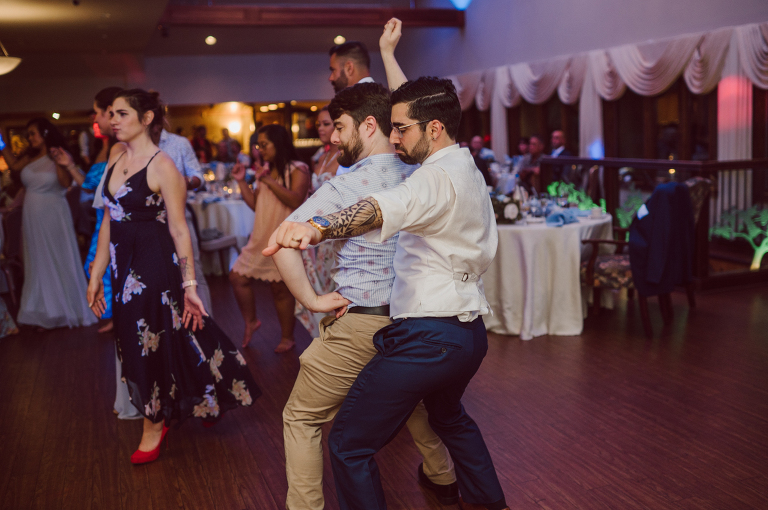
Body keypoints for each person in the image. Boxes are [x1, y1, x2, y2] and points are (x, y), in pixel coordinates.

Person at [264, 18, 509, 510]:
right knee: (438, 413)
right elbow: (416, 109)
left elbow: (378, 209)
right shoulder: (444, 162)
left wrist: (317, 238)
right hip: (443, 327)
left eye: (401, 129)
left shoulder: (419, 181)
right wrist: (390, 55)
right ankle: (461, 487)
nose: (396, 137)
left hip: (405, 329)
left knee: (331, 433)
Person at [271, 81, 458, 509]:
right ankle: (443, 476)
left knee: (301, 417)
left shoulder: (344, 186)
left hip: (362, 322)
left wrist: (313, 301)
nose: (333, 138)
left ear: (369, 125)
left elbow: (281, 243)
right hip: (416, 321)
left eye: (339, 127)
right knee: (410, 400)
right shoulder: (421, 172)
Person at [87, 88, 259, 464]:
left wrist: (190, 285)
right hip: (121, 266)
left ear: (146, 118)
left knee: (145, 341)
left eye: (121, 113)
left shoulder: (163, 165)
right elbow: (109, 217)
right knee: (163, 335)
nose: (113, 120)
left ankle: (154, 423)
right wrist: (97, 273)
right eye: (111, 113)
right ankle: (205, 395)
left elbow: (180, 231)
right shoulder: (115, 155)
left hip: (154, 265)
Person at [1, 118, 95, 330]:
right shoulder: (29, 157)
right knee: (38, 261)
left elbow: (65, 183)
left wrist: (59, 161)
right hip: (32, 216)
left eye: (33, 133)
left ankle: (63, 310)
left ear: (44, 134)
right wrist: (1, 144)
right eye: (28, 135)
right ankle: (44, 312)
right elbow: (14, 167)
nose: (30, 138)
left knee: (56, 258)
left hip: (53, 214)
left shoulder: (58, 155)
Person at [230, 125, 310, 353]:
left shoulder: (299, 168)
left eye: (264, 145)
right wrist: (241, 181)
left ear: (279, 144)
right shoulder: (265, 170)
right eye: (258, 145)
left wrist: (268, 181)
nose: (260, 150)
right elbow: (257, 205)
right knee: (237, 277)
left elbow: (296, 200)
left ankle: (287, 337)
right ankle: (251, 321)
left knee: (280, 289)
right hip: (260, 237)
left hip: (283, 238)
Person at [158, 126, 213, 315]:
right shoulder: (132, 146)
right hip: (149, 225)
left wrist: (183, 182)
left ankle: (207, 323)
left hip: (179, 215)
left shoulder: (179, 143)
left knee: (193, 271)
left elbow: (199, 177)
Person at [82, 87, 123, 335]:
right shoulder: (112, 149)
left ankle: (120, 318)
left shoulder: (126, 150)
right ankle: (117, 317)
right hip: (106, 222)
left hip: (121, 230)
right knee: (100, 269)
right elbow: (100, 196)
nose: (95, 118)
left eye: (97, 112)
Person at [328, 40, 375, 177]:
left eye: (333, 70)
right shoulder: (374, 96)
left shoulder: (365, 100)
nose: (330, 78)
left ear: (349, 68)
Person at [309, 107, 340, 192]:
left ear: (339, 126)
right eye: (318, 125)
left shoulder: (345, 157)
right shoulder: (322, 157)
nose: (320, 128)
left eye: (326, 124)